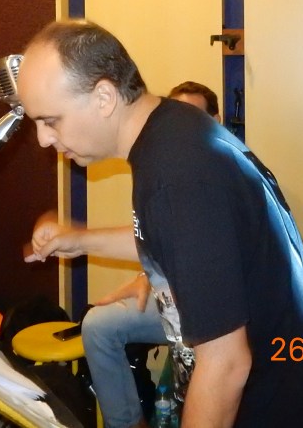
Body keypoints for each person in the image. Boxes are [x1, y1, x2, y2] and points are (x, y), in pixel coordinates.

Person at [19, 19, 303, 428]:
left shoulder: (177, 175)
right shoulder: (174, 129)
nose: (43, 139)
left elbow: (226, 364)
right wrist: (79, 241)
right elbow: (175, 239)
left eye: (50, 120)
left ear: (104, 97)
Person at [80, 81, 221, 428]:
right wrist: (149, 274)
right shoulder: (161, 168)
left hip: (216, 314)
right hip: (172, 302)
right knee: (98, 325)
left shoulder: (223, 174)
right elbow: (161, 240)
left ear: (215, 121)